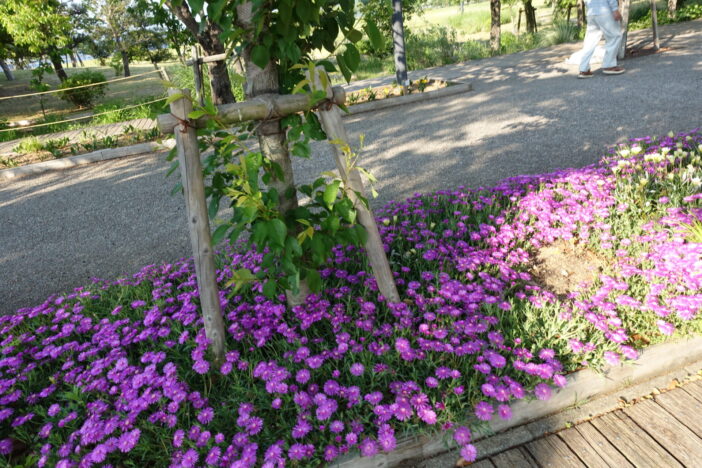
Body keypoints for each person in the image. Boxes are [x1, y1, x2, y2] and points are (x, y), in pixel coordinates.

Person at [578, 0, 625, 78]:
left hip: (591, 12)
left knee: (590, 41)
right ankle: (609, 66)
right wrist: (615, 9)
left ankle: (583, 69)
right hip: (604, 10)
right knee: (615, 36)